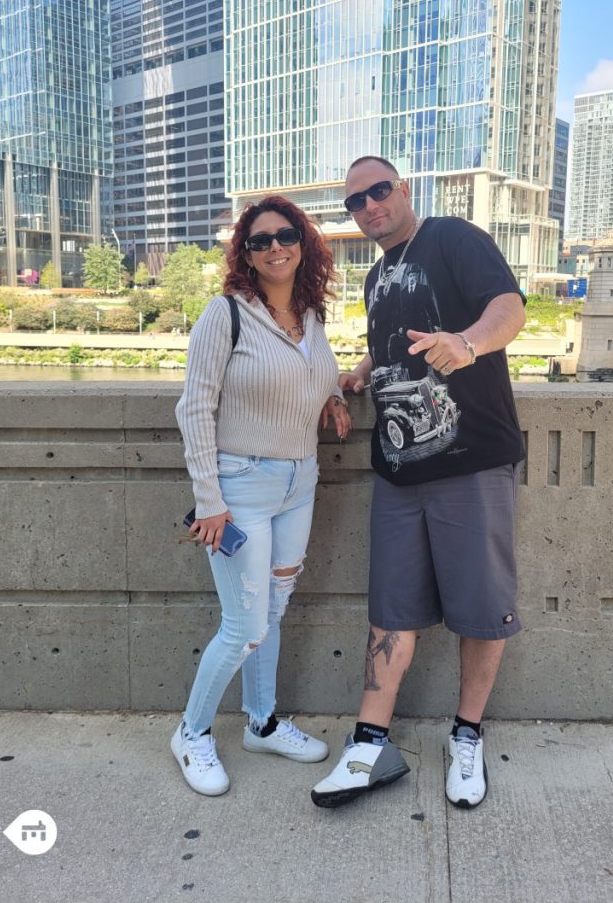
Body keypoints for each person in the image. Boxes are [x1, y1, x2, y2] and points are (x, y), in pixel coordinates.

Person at [311, 156, 526, 809]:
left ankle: (466, 735)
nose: (370, 206)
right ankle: (370, 743)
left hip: (471, 462)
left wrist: (468, 342)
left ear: (404, 191)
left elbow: (508, 308)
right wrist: (359, 371)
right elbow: (394, 342)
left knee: (482, 608)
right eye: (356, 201)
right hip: (397, 472)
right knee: (391, 609)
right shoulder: (377, 276)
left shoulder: (454, 238)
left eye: (380, 191)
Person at [173, 195, 351, 796]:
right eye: (260, 240)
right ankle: (191, 732)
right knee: (243, 624)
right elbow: (194, 408)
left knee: (272, 612)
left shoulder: (311, 315)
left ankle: (262, 722)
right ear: (245, 254)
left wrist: (332, 398)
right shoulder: (224, 315)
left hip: (300, 483)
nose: (275, 247)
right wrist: (210, 501)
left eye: (286, 235)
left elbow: (313, 373)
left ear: (303, 242)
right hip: (239, 489)